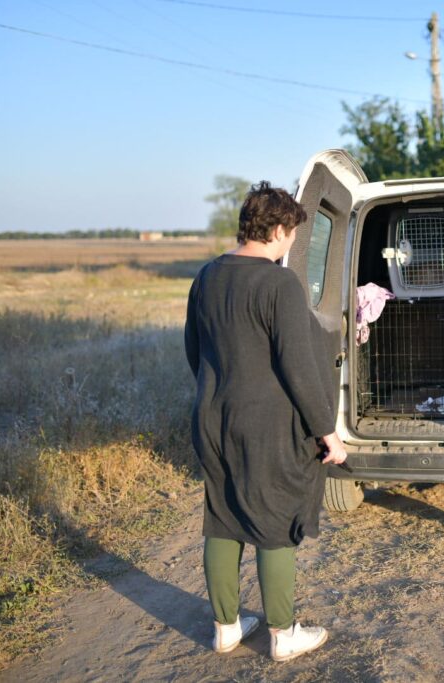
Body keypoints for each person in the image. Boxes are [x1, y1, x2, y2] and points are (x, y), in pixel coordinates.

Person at [184, 181, 347, 662]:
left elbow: (195, 350)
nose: (292, 242)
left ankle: (226, 628)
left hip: (213, 416)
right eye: (292, 234)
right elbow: (298, 366)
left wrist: (219, 391)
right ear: (277, 230)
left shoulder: (207, 276)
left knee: (223, 515)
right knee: (274, 519)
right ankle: (282, 633)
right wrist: (327, 433)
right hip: (267, 424)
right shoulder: (279, 283)